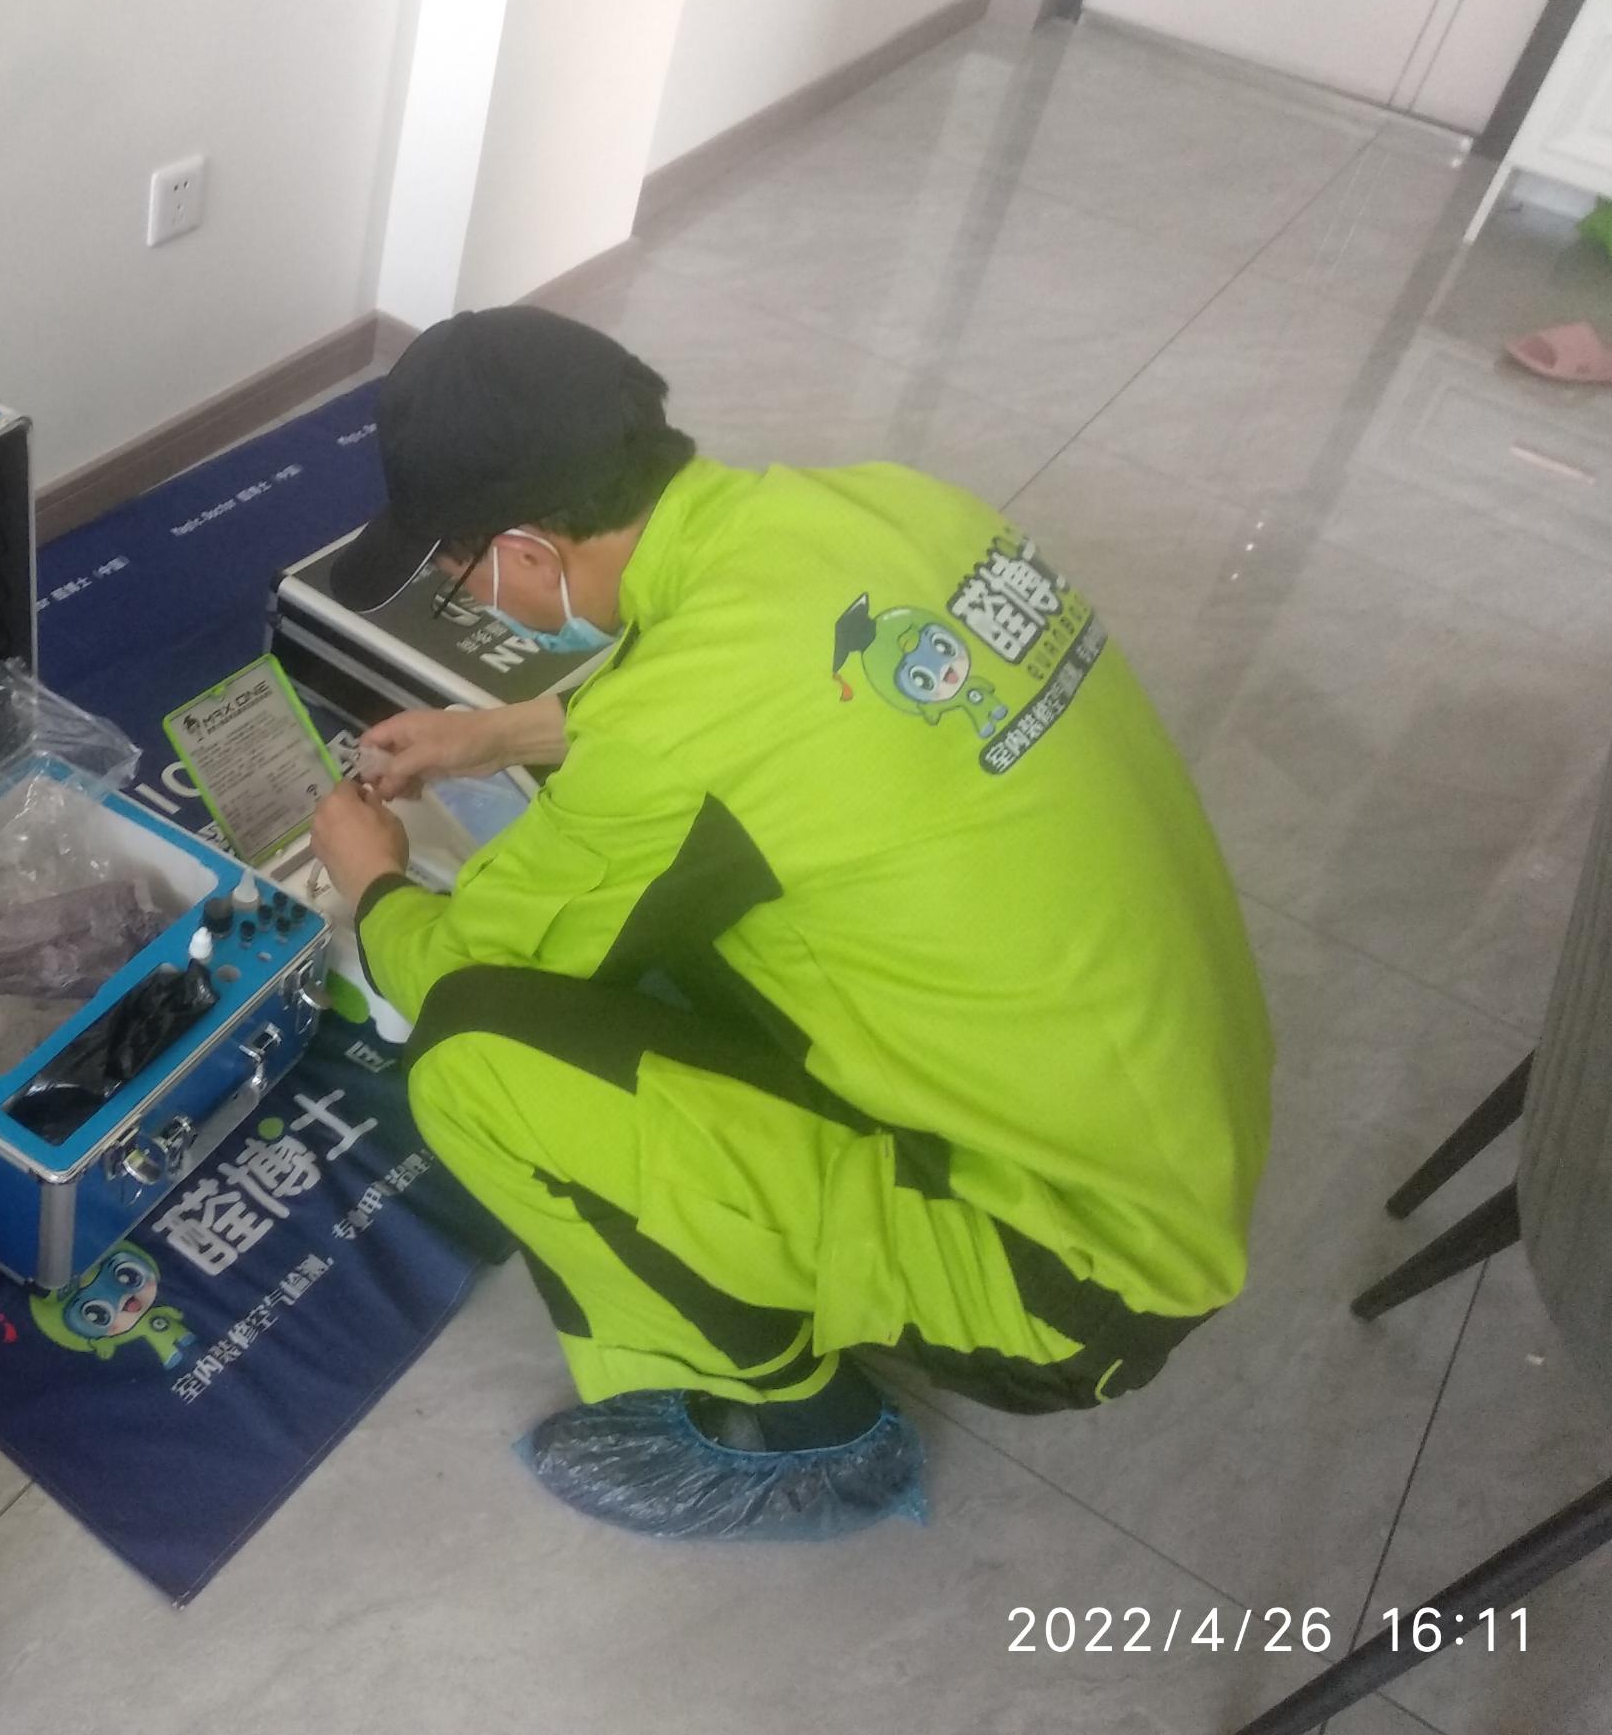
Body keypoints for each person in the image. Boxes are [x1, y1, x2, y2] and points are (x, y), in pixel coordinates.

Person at [306, 305, 1273, 1542]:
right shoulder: (884, 507)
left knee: (476, 1056)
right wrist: (497, 734)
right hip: (1169, 1128)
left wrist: (374, 881)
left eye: (455, 578)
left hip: (1071, 1280)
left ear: (524, 555)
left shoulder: (678, 729)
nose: (464, 599)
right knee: (677, 908)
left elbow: (459, 966)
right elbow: (765, 697)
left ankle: (794, 1428)